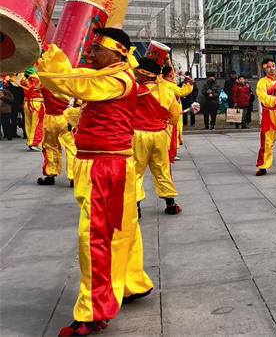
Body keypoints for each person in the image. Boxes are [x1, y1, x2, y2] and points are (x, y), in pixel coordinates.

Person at [37, 27, 147, 336]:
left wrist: (48, 56)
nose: (90, 53)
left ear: (118, 53)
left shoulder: (116, 79)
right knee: (123, 228)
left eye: (97, 49)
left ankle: (93, 310)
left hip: (105, 167)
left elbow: (73, 82)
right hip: (107, 163)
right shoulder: (109, 76)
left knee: (95, 237)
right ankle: (131, 282)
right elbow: (75, 80)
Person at [132, 58, 184, 215]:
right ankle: (171, 204)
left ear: (144, 74)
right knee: (162, 169)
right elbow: (174, 118)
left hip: (138, 135)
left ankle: (135, 206)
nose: (135, 76)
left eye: (137, 73)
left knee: (135, 171)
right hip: (160, 135)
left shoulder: (134, 90)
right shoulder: (166, 92)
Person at [37, 85, 76, 186]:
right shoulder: (69, 83)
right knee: (71, 148)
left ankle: (50, 174)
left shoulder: (44, 82)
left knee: (50, 147)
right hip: (67, 118)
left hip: (50, 118)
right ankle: (73, 177)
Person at [19, 69, 45, 150]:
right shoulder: (40, 81)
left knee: (28, 124)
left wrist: (22, 70)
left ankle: (30, 141)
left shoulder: (24, 81)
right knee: (37, 125)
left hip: (27, 104)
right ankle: (35, 143)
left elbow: (21, 76)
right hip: (37, 104)